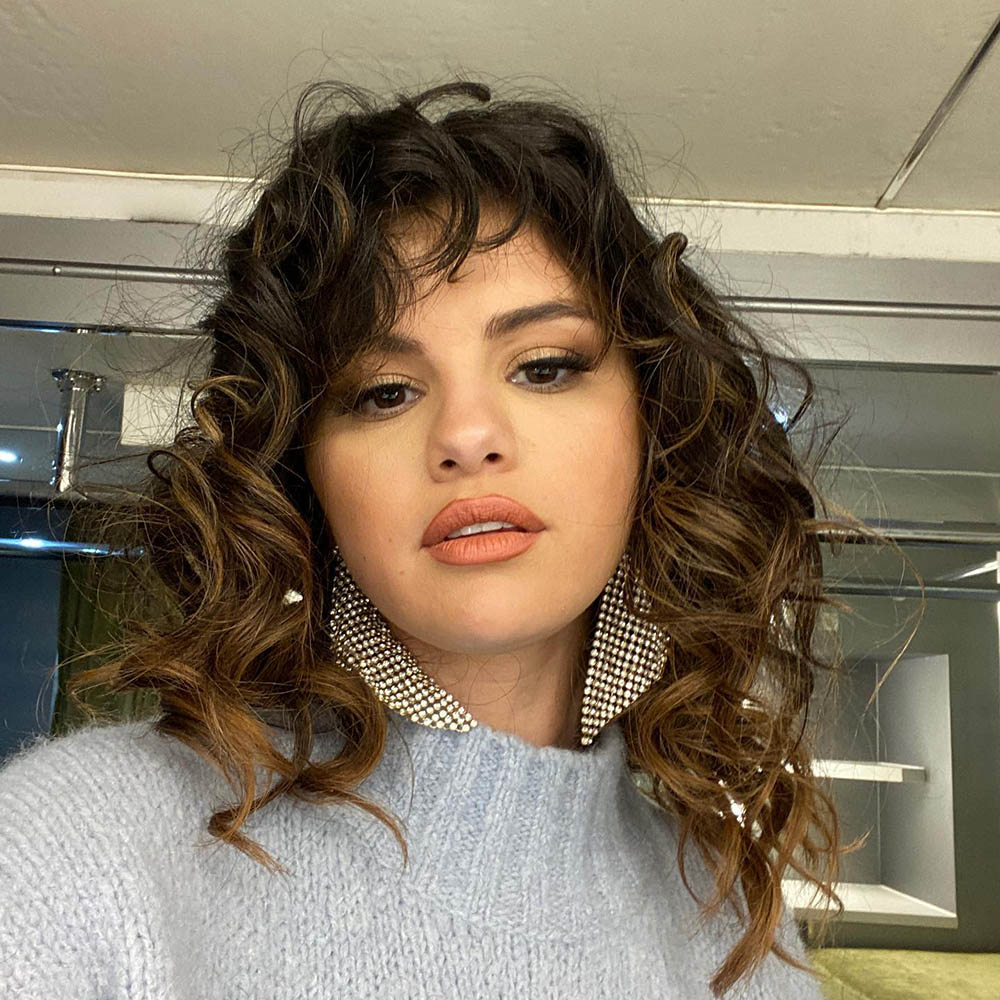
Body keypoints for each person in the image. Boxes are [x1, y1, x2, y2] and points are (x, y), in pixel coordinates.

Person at [0, 77, 889, 998]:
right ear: (306, 476)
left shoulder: (735, 920)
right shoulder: (78, 852)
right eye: (384, 392)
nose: (467, 435)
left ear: (654, 425)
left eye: (545, 368)